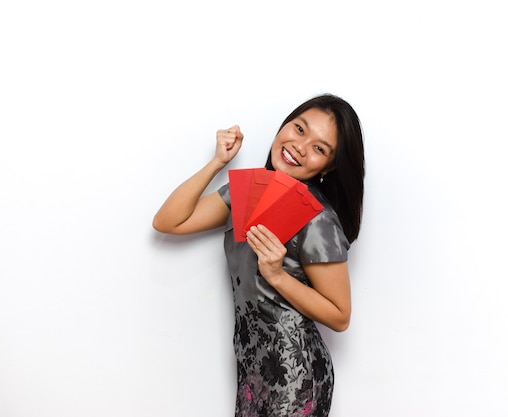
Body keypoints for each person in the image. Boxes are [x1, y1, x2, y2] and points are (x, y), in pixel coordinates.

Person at [153, 94, 365, 417]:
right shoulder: (249, 191)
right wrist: (217, 163)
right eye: (299, 129)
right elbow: (168, 221)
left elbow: (340, 316)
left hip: (294, 373)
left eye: (320, 148)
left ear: (330, 166)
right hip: (253, 366)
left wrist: (277, 275)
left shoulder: (319, 220)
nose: (300, 146)